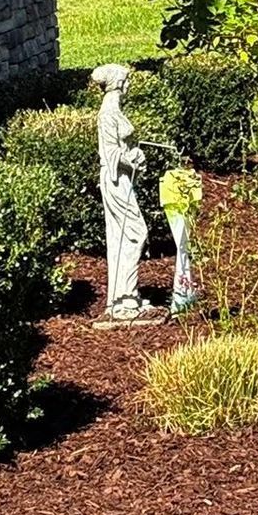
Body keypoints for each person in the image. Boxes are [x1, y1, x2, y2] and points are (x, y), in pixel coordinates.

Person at [91, 63, 150, 321]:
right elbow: (110, 153)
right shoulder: (107, 114)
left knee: (124, 233)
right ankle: (123, 297)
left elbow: (120, 149)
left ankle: (128, 294)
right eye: (126, 80)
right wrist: (131, 159)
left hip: (123, 178)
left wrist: (133, 155)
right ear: (118, 83)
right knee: (135, 232)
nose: (128, 85)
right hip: (115, 180)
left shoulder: (114, 110)